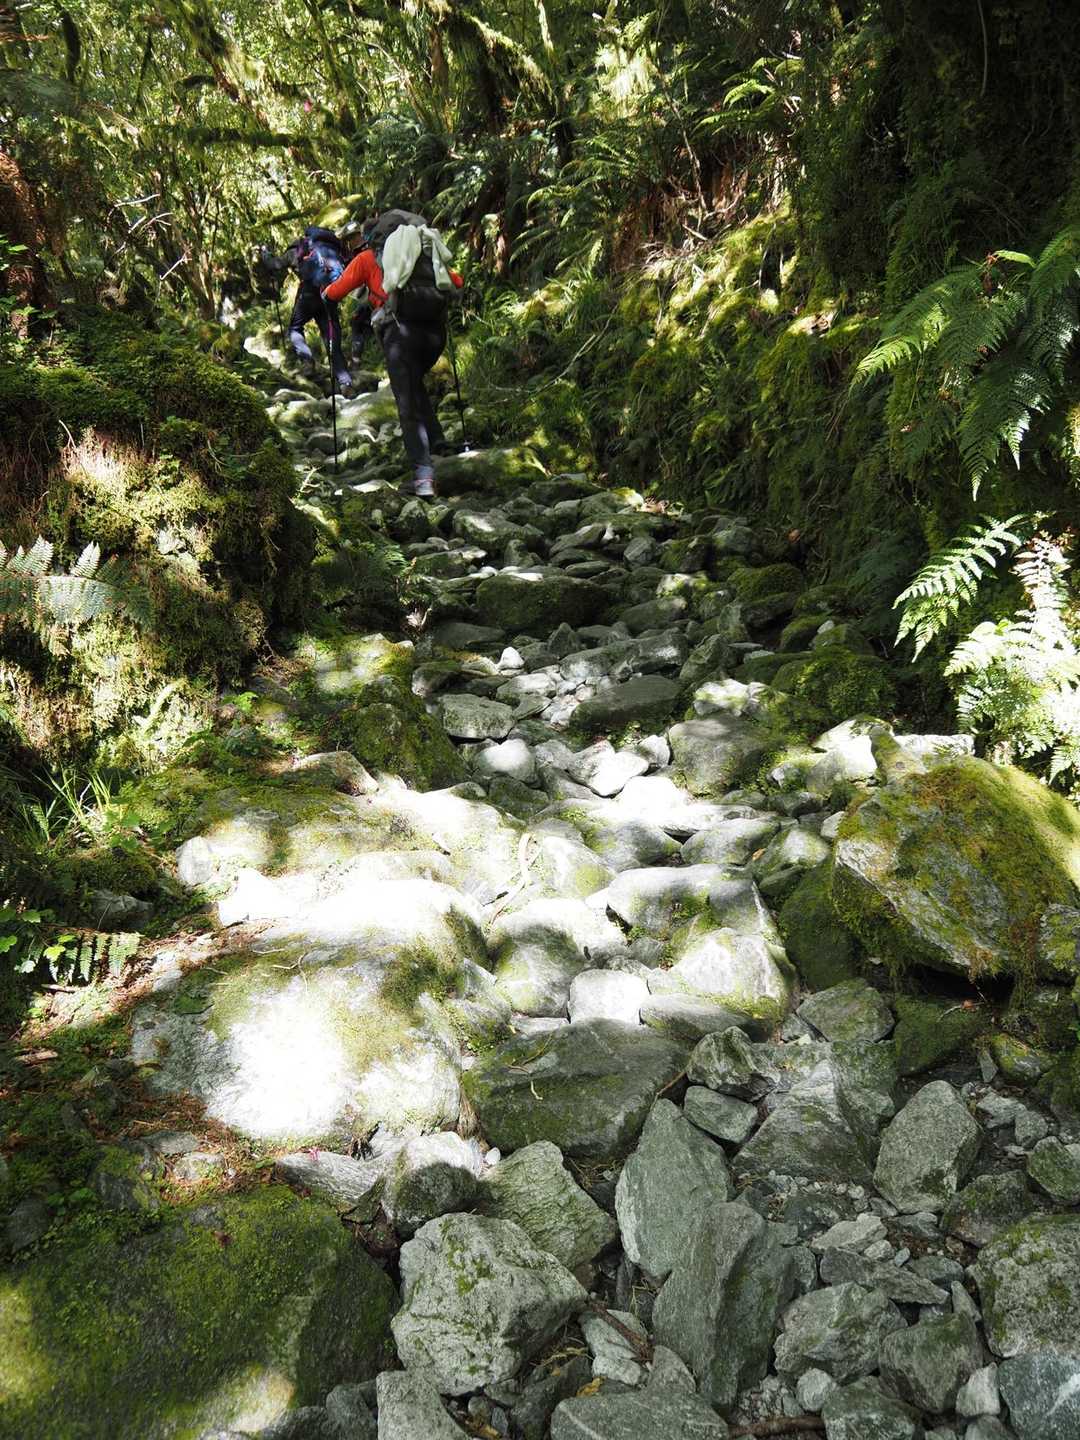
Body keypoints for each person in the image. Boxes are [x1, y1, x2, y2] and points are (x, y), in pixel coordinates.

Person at [323, 212, 463, 498]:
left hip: (401, 336)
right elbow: (456, 282)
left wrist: (325, 296)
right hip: (435, 335)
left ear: (373, 239)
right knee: (415, 384)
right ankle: (438, 442)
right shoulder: (423, 252)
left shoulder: (367, 259)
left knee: (407, 403)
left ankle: (423, 476)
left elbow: (335, 292)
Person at [265, 225, 352, 393]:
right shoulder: (333, 247)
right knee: (331, 336)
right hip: (329, 293)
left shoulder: (301, 247)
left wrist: (266, 255)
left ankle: (307, 362)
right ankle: (345, 382)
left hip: (309, 294)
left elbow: (275, 264)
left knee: (295, 327)